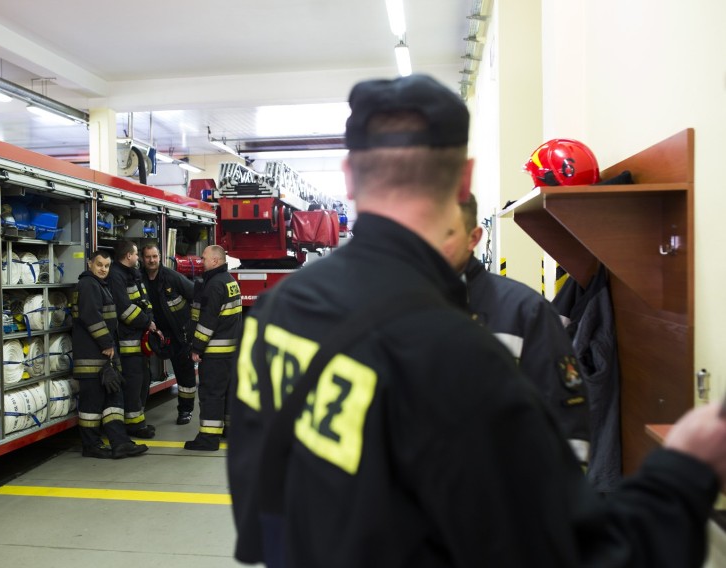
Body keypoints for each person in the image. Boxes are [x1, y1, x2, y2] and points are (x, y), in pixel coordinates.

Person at [227, 74, 726, 567]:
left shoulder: (279, 309)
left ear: (350, 175)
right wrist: (683, 469)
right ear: (464, 178)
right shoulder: (461, 359)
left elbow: (257, 502)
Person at [441, 193, 590, 464]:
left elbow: (567, 421)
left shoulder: (525, 311)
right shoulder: (386, 307)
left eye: (445, 233)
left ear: (473, 239)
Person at [71, 249, 148, 459]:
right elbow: (91, 317)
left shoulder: (100, 285)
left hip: (104, 359)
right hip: (91, 359)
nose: (103, 269)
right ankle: (91, 446)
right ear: (89, 264)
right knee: (92, 407)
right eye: (99, 265)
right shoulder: (88, 285)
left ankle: (120, 443)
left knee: (114, 401)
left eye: (106, 266)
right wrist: (106, 343)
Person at [184, 245, 242, 451]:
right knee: (226, 392)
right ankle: (229, 430)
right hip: (230, 350)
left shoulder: (215, 285)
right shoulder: (229, 281)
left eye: (204, 258)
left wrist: (196, 347)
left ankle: (208, 438)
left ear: (216, 261)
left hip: (215, 352)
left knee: (211, 394)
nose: (201, 261)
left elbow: (207, 322)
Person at [141, 241, 197, 425]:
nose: (151, 260)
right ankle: (138, 411)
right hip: (151, 333)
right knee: (141, 372)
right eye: (148, 257)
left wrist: (191, 325)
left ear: (160, 257)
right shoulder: (137, 279)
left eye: (155, 256)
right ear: (142, 259)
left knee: (184, 372)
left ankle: (185, 411)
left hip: (178, 334)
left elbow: (195, 296)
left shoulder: (172, 277)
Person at [108, 240, 157, 439]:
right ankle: (134, 427)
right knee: (133, 385)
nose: (139, 258)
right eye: (137, 254)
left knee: (144, 380)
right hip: (128, 344)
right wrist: (147, 323)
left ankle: (139, 420)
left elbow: (144, 301)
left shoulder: (132, 274)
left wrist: (149, 320)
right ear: (129, 256)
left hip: (139, 340)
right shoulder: (116, 277)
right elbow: (125, 311)